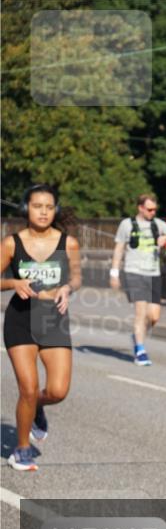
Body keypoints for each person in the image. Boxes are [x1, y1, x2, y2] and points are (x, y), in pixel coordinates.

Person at [2, 184, 82, 471]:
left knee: (58, 390)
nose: (44, 212)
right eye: (38, 206)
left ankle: (37, 407)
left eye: (49, 207)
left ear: (55, 210)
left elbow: (76, 278)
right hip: (21, 318)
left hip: (52, 318)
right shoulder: (12, 243)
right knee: (28, 387)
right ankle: (21, 449)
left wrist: (67, 288)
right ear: (26, 209)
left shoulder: (68, 243)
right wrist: (13, 283)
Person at [110, 193, 166, 366]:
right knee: (140, 312)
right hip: (134, 272)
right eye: (149, 209)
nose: (152, 212)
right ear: (140, 208)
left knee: (154, 316)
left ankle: (137, 335)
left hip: (153, 273)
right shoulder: (127, 225)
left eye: (155, 209)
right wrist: (114, 273)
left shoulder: (158, 224)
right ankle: (140, 350)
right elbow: (119, 248)